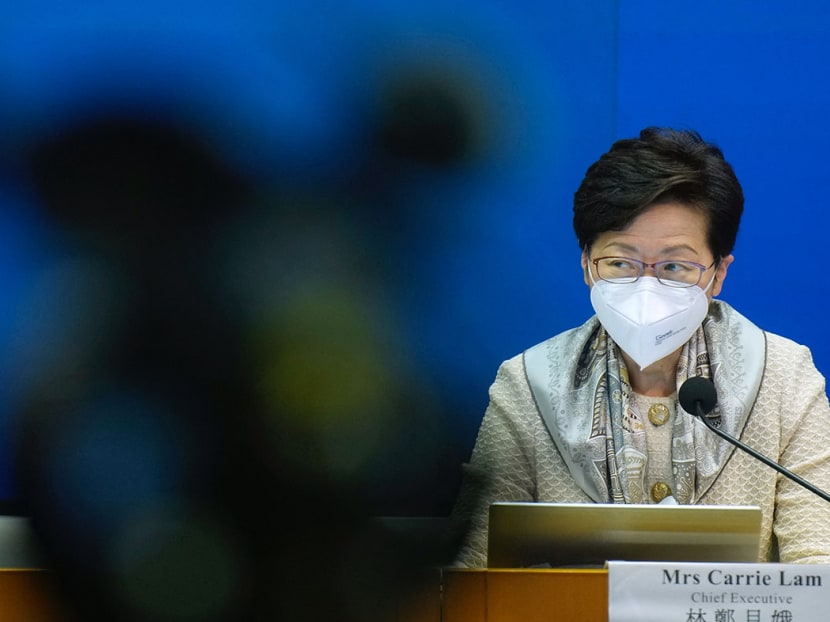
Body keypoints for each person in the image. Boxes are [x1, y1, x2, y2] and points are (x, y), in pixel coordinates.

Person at [451, 126, 830, 567]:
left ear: (718, 273)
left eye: (674, 265)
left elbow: (817, 562)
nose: (647, 286)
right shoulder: (528, 386)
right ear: (586, 265)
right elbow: (469, 575)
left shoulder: (783, 377)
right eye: (620, 263)